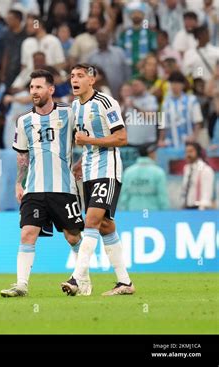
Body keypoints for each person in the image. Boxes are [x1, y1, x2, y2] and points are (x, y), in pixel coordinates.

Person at [0, 69, 84, 297]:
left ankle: (82, 278)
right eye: (31, 88)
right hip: (34, 189)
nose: (34, 92)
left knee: (73, 236)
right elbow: (22, 157)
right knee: (27, 233)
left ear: (51, 89)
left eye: (38, 87)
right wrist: (19, 183)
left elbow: (88, 138)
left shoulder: (69, 114)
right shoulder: (24, 121)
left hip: (64, 188)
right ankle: (21, 285)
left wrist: (82, 162)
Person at [62, 63, 135, 297]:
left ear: (91, 80)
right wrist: (81, 162)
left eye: (81, 76)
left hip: (108, 170)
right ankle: (125, 282)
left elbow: (122, 138)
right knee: (105, 225)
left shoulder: (106, 102)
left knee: (91, 220)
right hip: (90, 171)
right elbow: (85, 143)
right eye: (72, 76)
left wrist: (90, 140)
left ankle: (77, 278)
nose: (75, 79)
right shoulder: (75, 106)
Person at [118, 144, 169, 211]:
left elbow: (123, 198)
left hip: (132, 214)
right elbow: (163, 198)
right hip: (153, 215)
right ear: (151, 154)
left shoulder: (128, 172)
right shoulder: (158, 172)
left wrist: (124, 214)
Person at [158, 72, 203, 148]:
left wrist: (194, 136)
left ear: (183, 85)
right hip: (170, 143)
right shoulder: (165, 103)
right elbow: (163, 124)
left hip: (188, 142)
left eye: (177, 83)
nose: (174, 86)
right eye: (172, 83)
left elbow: (197, 121)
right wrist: (161, 140)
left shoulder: (191, 100)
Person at [182, 142, 216, 210]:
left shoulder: (206, 170)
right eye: (186, 152)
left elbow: (207, 193)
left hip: (200, 209)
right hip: (187, 207)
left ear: (198, 152)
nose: (188, 154)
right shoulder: (187, 168)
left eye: (191, 151)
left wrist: (201, 211)